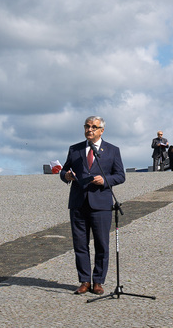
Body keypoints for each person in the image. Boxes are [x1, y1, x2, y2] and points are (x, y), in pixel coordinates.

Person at [60, 115, 125, 295]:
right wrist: (65, 175)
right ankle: (84, 281)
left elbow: (120, 175)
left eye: (94, 127)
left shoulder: (112, 150)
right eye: (87, 126)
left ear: (101, 130)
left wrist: (104, 180)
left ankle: (98, 281)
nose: (89, 130)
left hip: (101, 204)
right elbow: (65, 169)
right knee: (80, 244)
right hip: (78, 204)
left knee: (101, 244)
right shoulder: (75, 149)